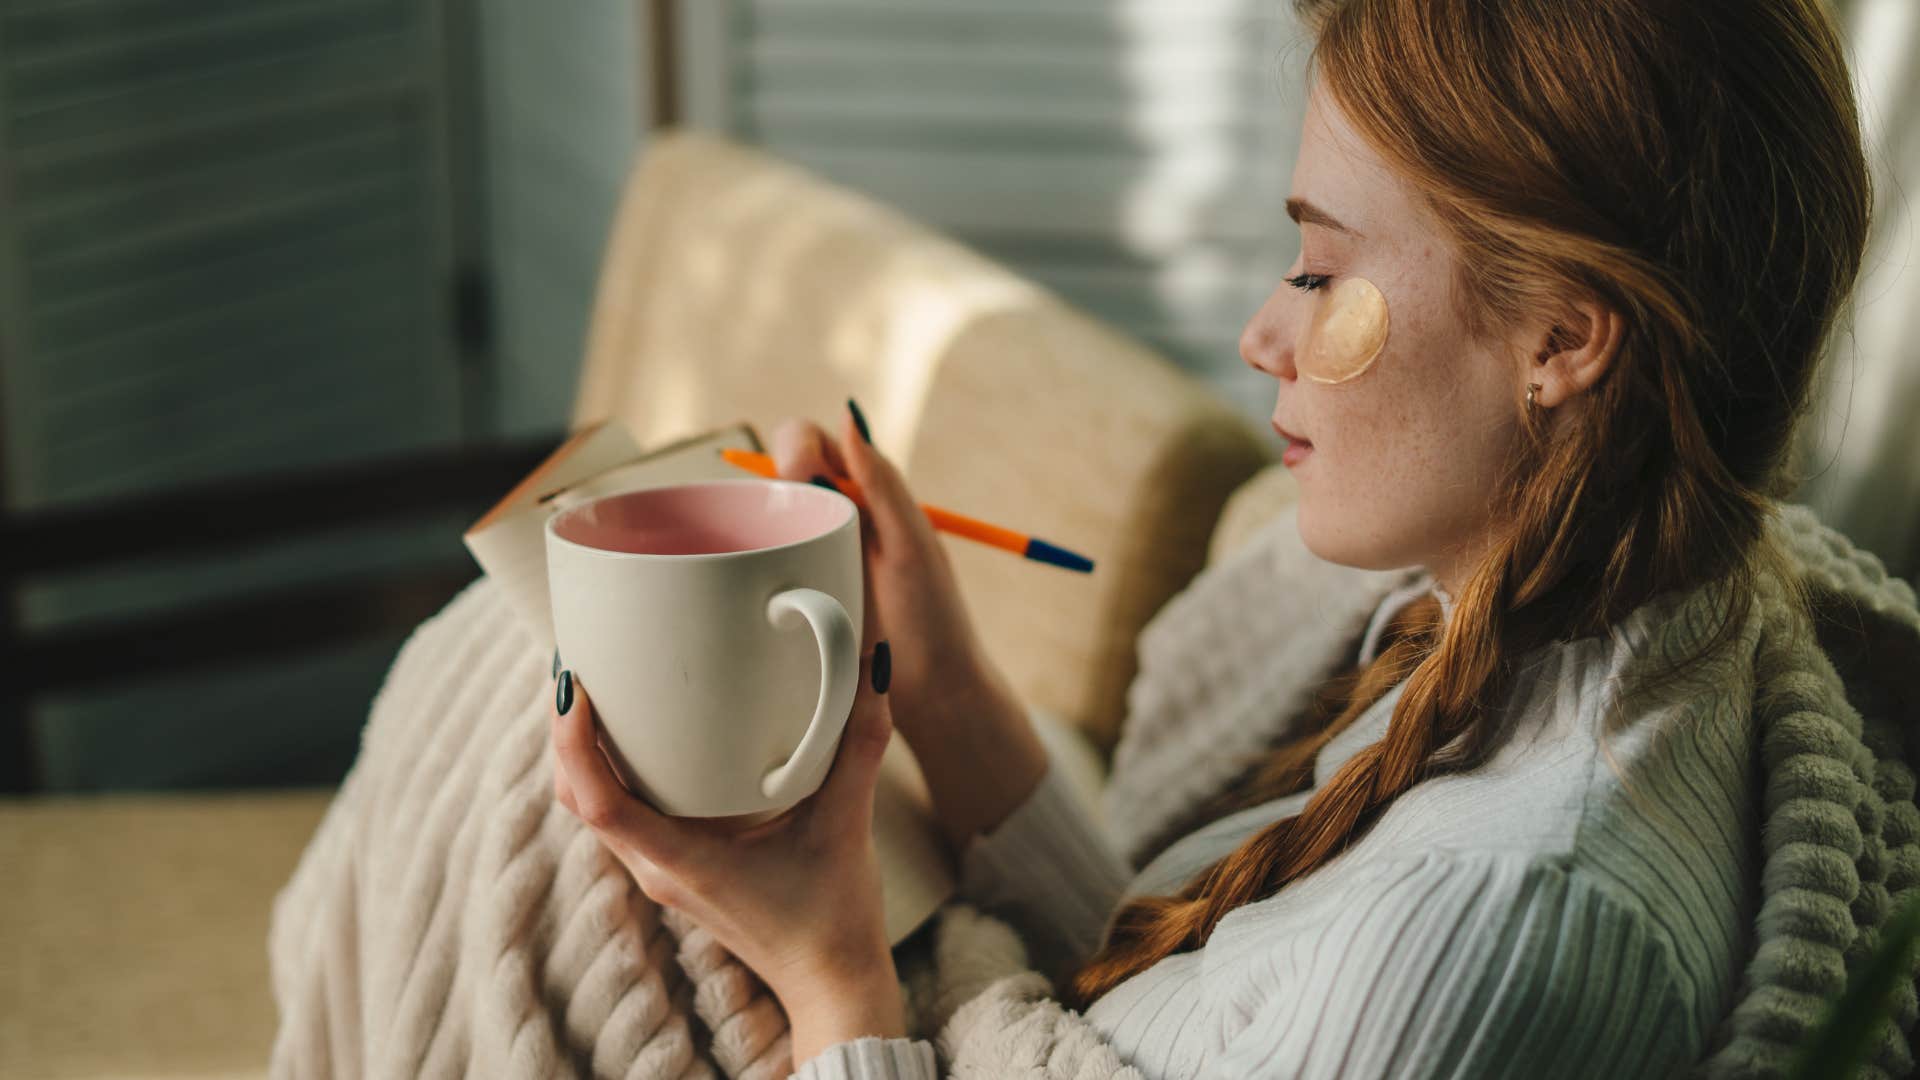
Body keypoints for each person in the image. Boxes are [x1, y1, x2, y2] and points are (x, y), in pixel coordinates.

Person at [548, 0, 1877, 1075]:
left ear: (1564, 339)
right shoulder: (1534, 617)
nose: (1263, 335)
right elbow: (1181, 999)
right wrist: (945, 686)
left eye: (1323, 272)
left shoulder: (1502, 930)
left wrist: (829, 970)